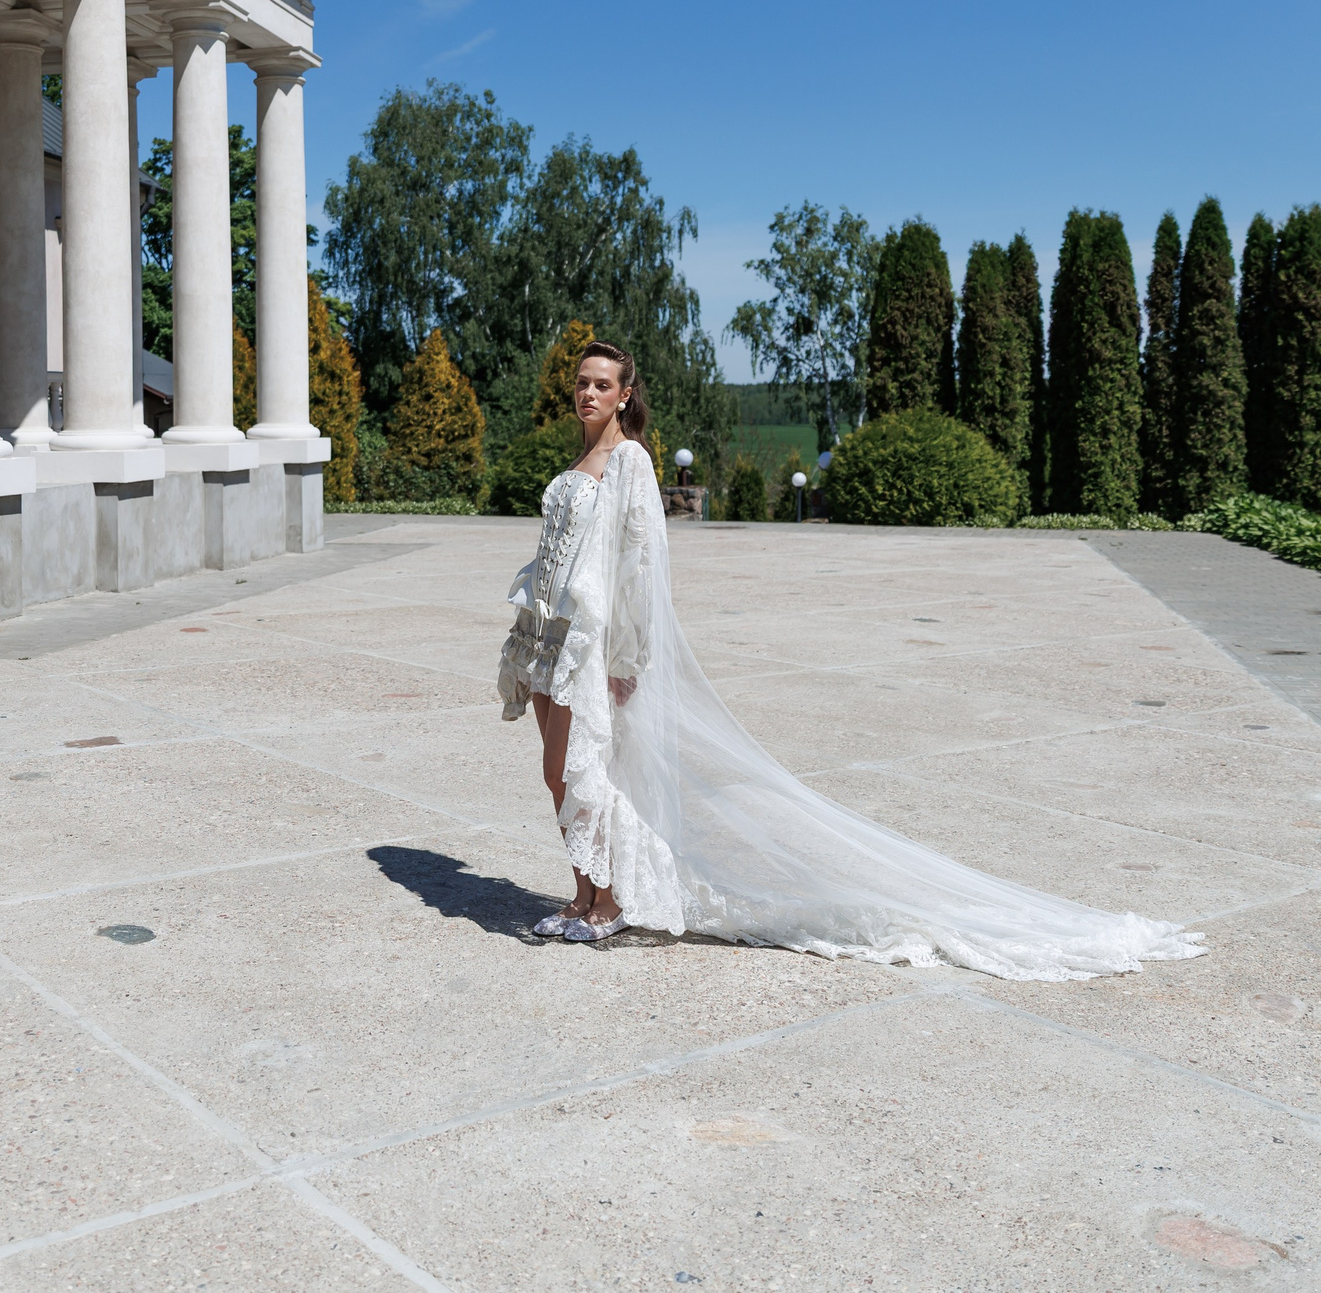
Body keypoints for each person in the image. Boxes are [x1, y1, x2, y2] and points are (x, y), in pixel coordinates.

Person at [493, 341, 1206, 979]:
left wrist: (627, 656)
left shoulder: (631, 461)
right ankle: (581, 893)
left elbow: (641, 566)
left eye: (603, 384)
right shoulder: (576, 463)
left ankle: (609, 901)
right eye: (582, 382)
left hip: (592, 644)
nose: (588, 393)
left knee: (582, 768)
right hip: (547, 637)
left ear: (625, 395)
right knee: (558, 772)